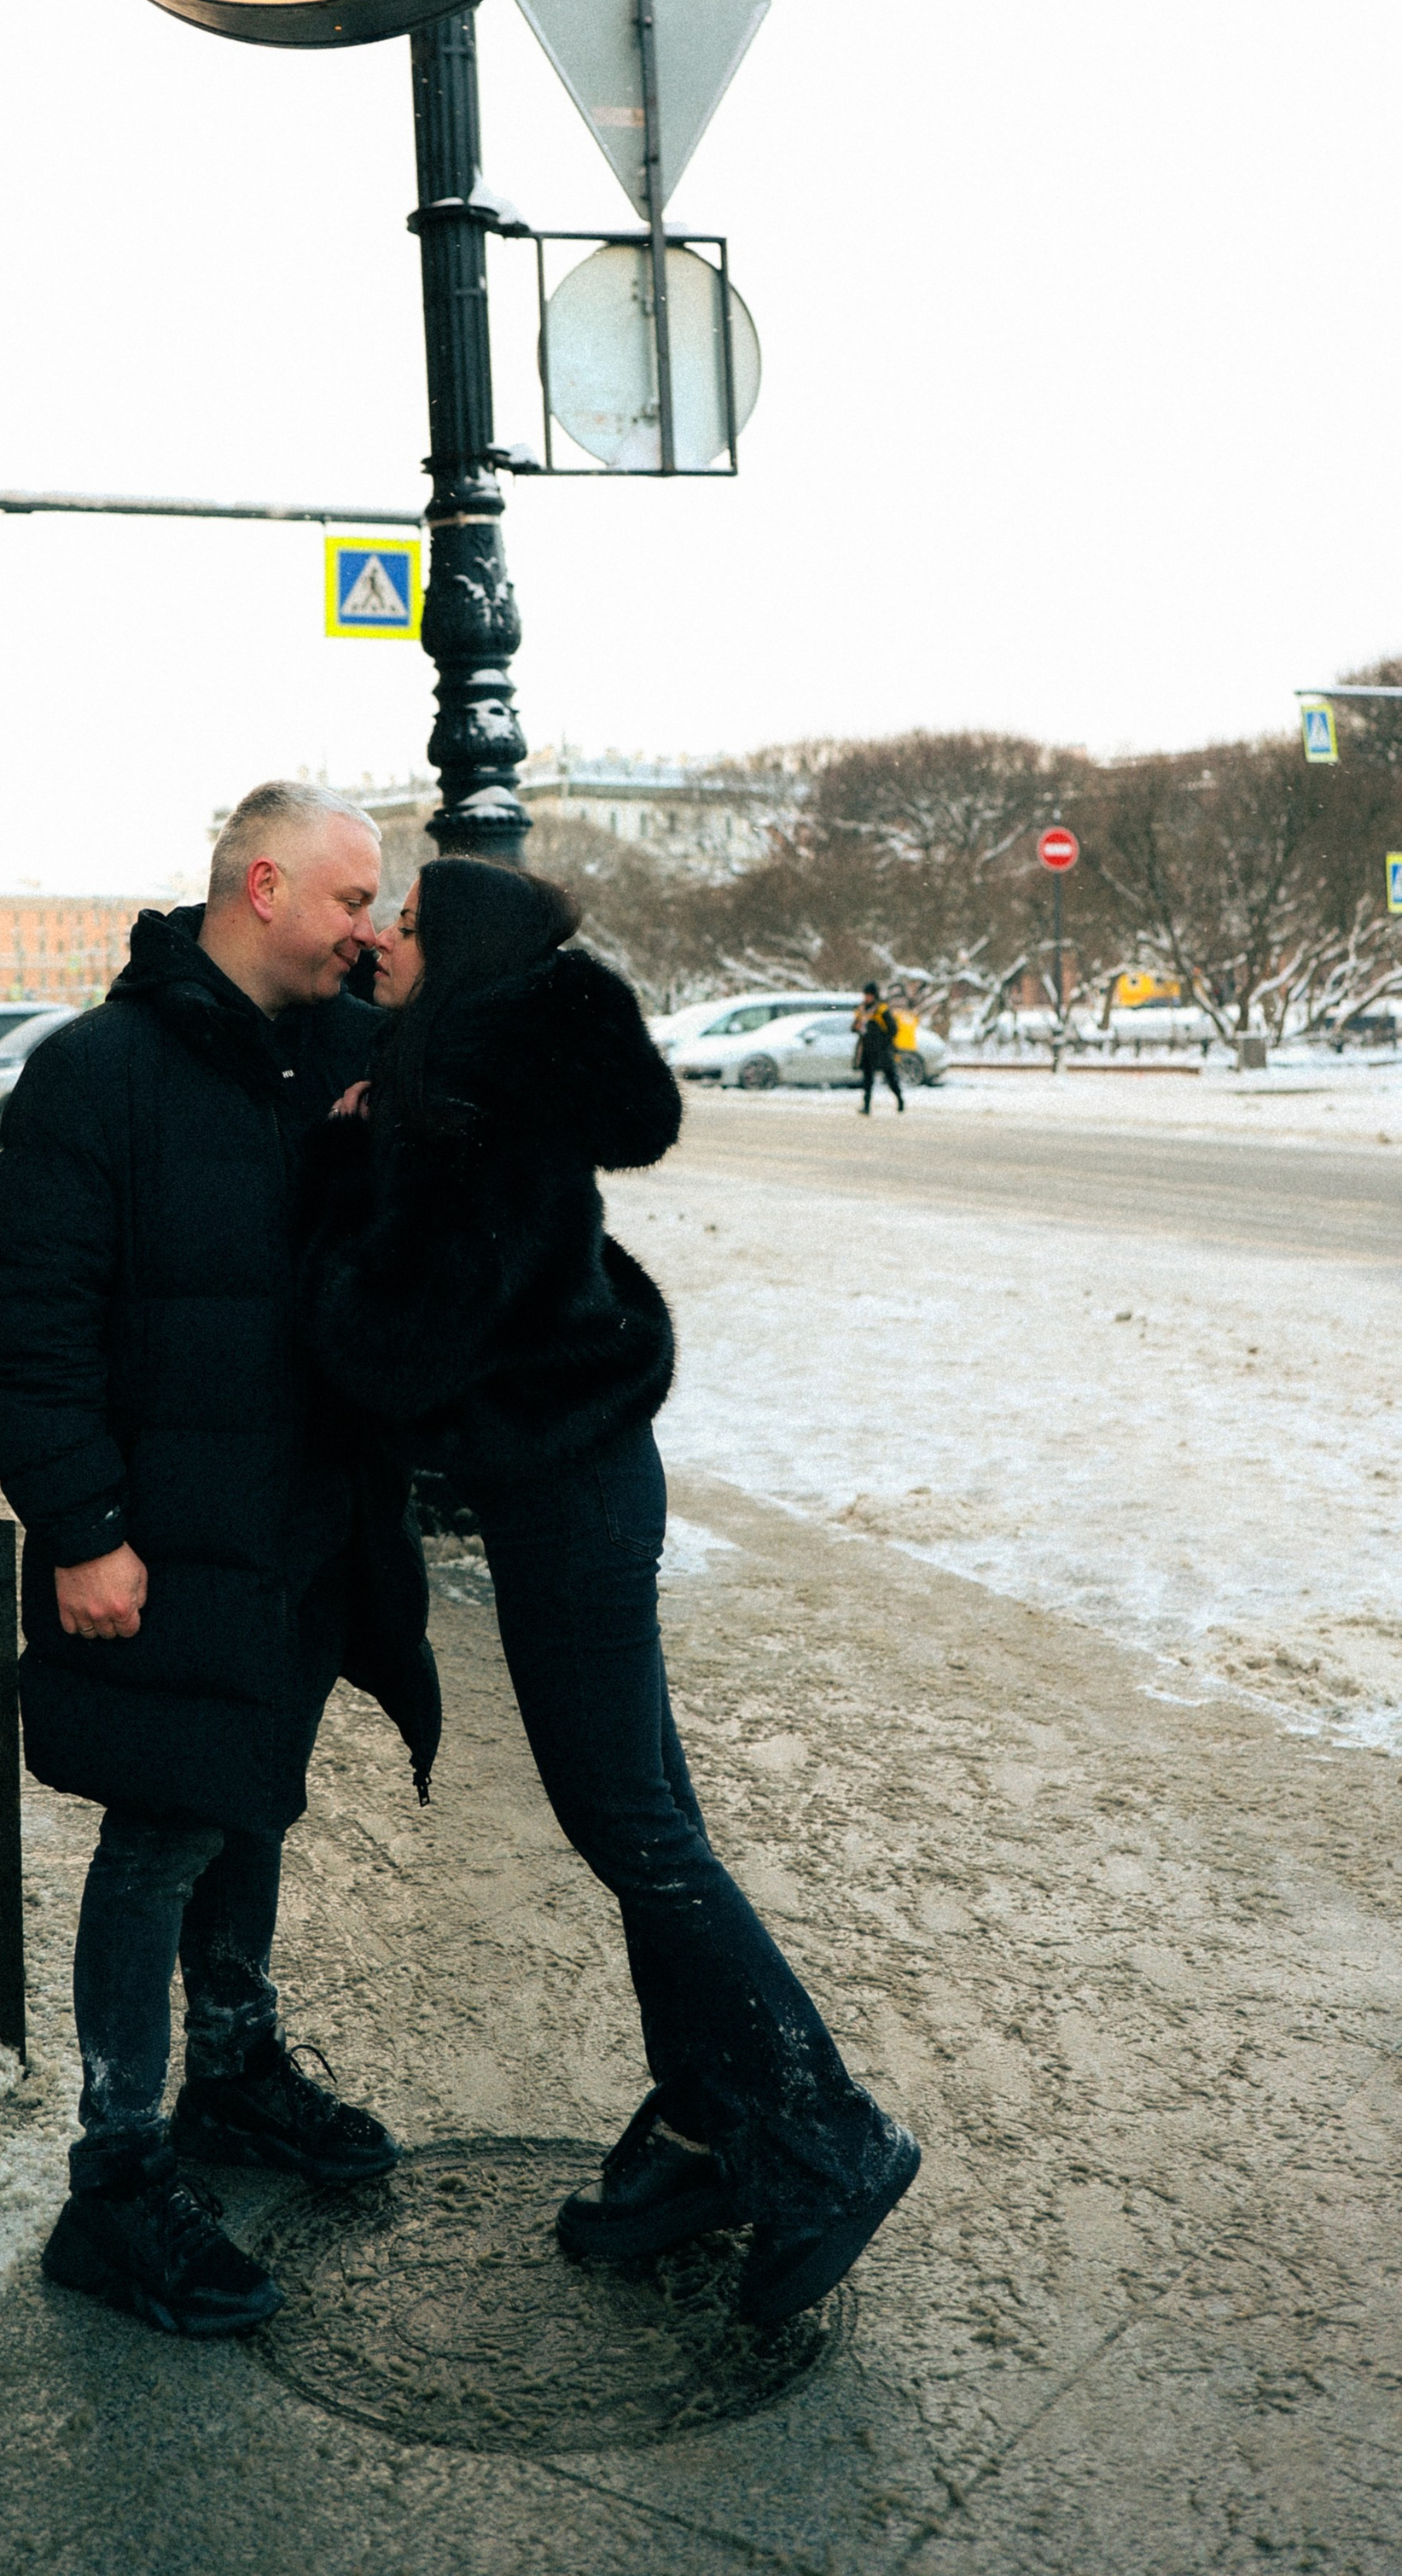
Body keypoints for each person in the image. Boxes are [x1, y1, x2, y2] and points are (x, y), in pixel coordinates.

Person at [299, 860, 921, 2333]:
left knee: (628, 1825)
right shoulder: (497, 1067)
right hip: (592, 1465)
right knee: (652, 1817)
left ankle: (824, 2129)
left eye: (407, 925)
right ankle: (710, 2134)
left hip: (561, 1488)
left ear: (459, 956)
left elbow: (398, 1341)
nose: (383, 941)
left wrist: (337, 1171)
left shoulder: (460, 1099)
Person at [0, 784, 439, 2339]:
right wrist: (84, 1533)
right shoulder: (97, 1077)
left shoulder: (338, 1059)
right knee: (165, 1830)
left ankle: (232, 2067)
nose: (369, 931)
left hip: (294, 1536)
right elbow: (31, 1329)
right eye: (353, 902)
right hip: (164, 1541)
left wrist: (417, 1032)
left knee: (250, 1803)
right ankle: (115, 2182)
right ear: (263, 886)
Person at [855, 982, 905, 1115]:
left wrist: (881, 1040)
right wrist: (856, 1028)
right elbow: (855, 1026)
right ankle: (866, 1106)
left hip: (882, 1051)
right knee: (867, 1079)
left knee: (890, 1077)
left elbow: (893, 1029)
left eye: (869, 995)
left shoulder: (882, 1010)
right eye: (866, 995)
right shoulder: (861, 1010)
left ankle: (900, 1100)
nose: (867, 998)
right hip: (867, 1049)